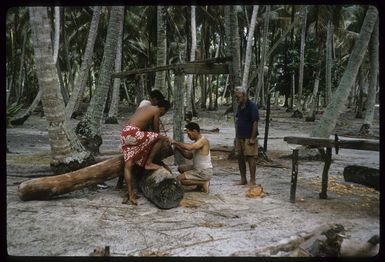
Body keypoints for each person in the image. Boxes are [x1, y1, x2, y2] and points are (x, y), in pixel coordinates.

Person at [120, 99, 171, 205]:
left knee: (127, 166)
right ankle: (148, 163)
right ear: (163, 109)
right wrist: (165, 140)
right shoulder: (156, 110)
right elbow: (156, 132)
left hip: (125, 133)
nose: (161, 115)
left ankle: (130, 194)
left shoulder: (143, 108)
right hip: (134, 133)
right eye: (163, 113)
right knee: (161, 138)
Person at [170, 122, 213, 194]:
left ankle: (203, 183)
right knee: (181, 168)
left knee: (180, 180)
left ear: (195, 131)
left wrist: (175, 142)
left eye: (189, 134)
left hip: (204, 171)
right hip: (199, 168)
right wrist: (179, 148)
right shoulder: (197, 142)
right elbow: (189, 156)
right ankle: (199, 184)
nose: (188, 136)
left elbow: (189, 148)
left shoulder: (203, 141)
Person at [234, 85, 260, 186]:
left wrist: (253, 138)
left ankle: (252, 180)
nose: (236, 99)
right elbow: (239, 120)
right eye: (236, 97)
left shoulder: (252, 106)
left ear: (244, 95)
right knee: (240, 158)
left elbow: (255, 122)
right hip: (239, 136)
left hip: (249, 136)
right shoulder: (239, 106)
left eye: (238, 97)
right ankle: (243, 179)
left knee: (251, 158)